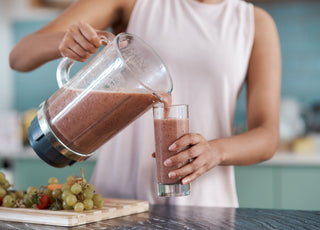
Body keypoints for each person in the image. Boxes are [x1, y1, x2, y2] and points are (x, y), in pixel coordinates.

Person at [9, 0, 281, 207]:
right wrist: (65, 41)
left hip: (207, 206)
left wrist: (215, 151)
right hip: (117, 201)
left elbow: (267, 137)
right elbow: (19, 56)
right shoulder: (136, 3)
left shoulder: (254, 23)